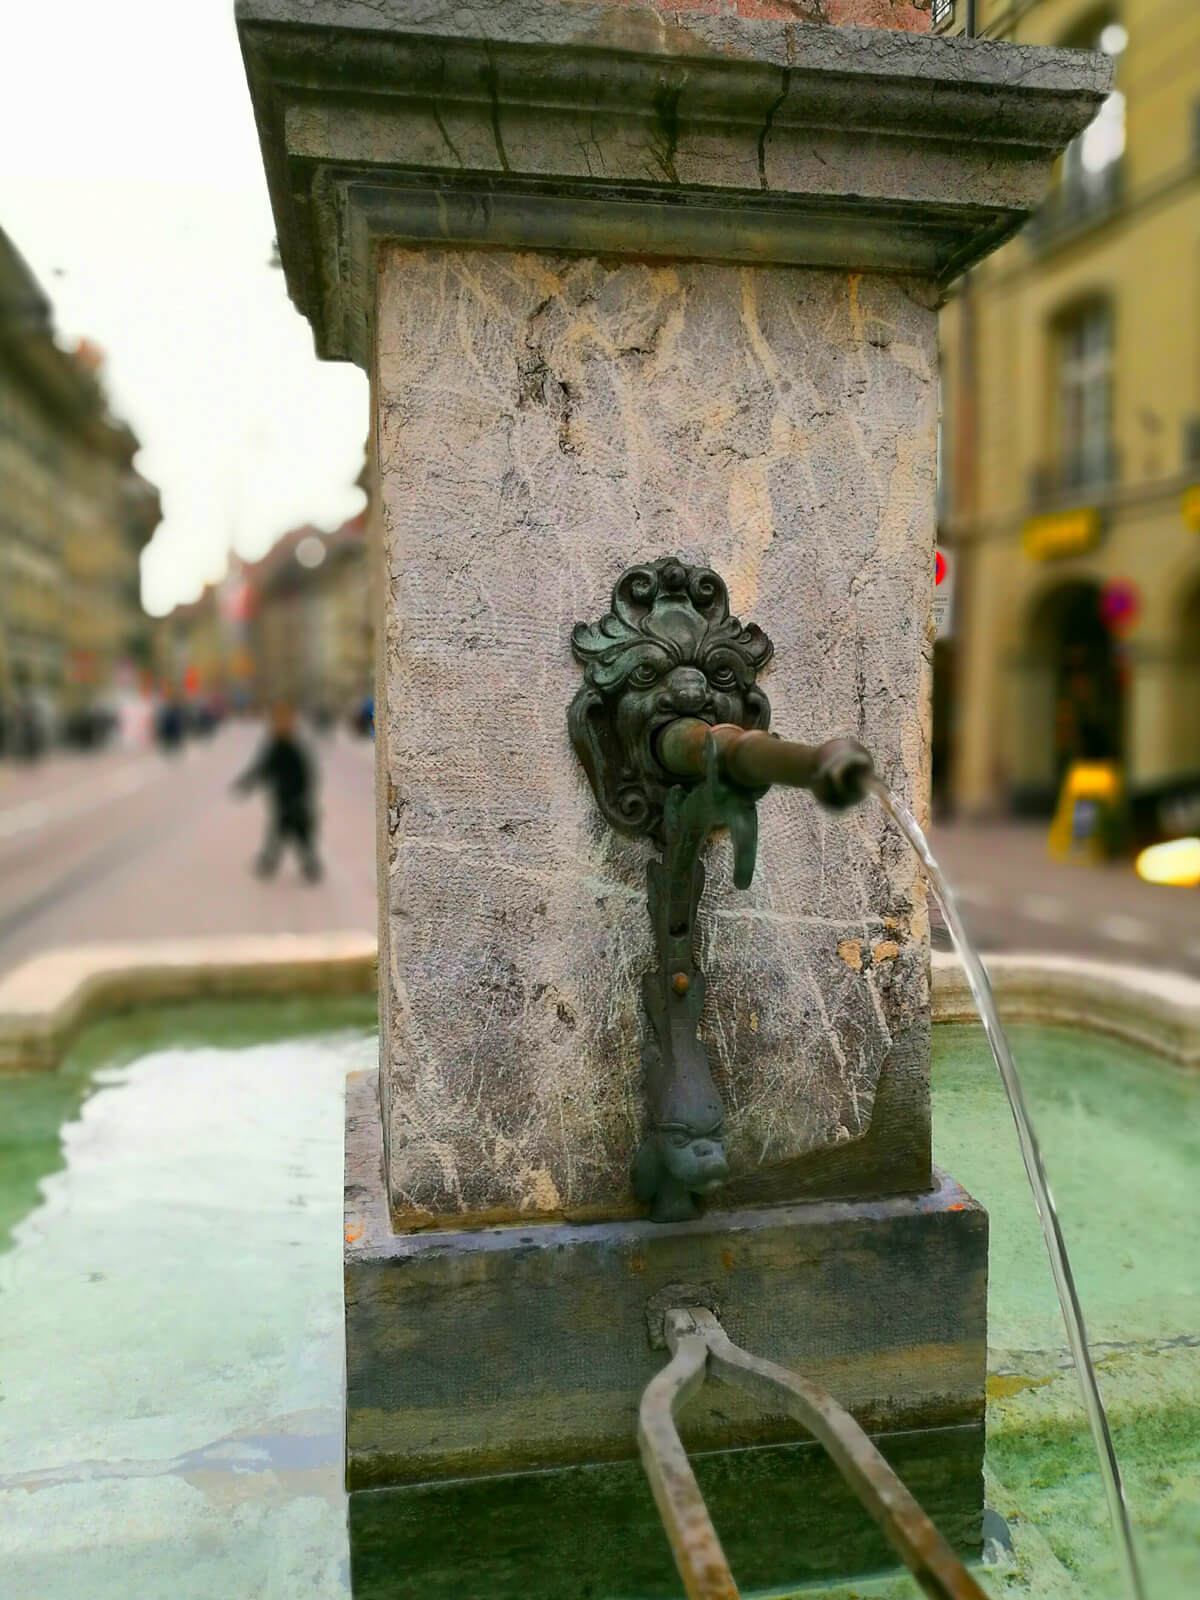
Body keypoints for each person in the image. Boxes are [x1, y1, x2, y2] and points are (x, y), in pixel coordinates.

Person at [232, 703, 323, 881]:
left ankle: (301, 867)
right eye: (277, 721)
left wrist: (302, 796)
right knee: (284, 832)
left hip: (295, 799)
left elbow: (307, 774)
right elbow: (262, 768)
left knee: (296, 834)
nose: (280, 724)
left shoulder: (295, 746)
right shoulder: (274, 745)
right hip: (282, 798)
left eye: (284, 721)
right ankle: (293, 866)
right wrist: (246, 783)